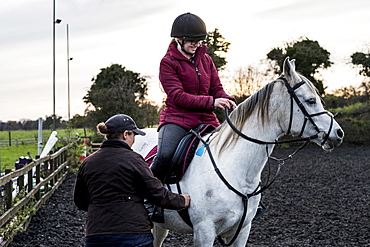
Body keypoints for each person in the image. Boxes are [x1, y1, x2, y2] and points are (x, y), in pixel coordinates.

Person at [73, 114, 190, 247]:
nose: (134, 139)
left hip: (96, 235)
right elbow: (156, 193)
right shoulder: (134, 160)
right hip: (133, 235)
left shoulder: (88, 163)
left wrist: (101, 204)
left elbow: (80, 201)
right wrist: (181, 200)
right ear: (125, 134)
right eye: (133, 135)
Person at [150, 12, 237, 185]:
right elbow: (178, 96)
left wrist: (228, 100)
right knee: (165, 155)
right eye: (192, 41)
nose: (197, 44)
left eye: (199, 41)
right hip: (178, 119)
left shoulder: (206, 60)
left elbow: (216, 89)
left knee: (231, 151)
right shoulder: (167, 62)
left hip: (206, 118)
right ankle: (148, 199)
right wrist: (212, 102)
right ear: (179, 39)